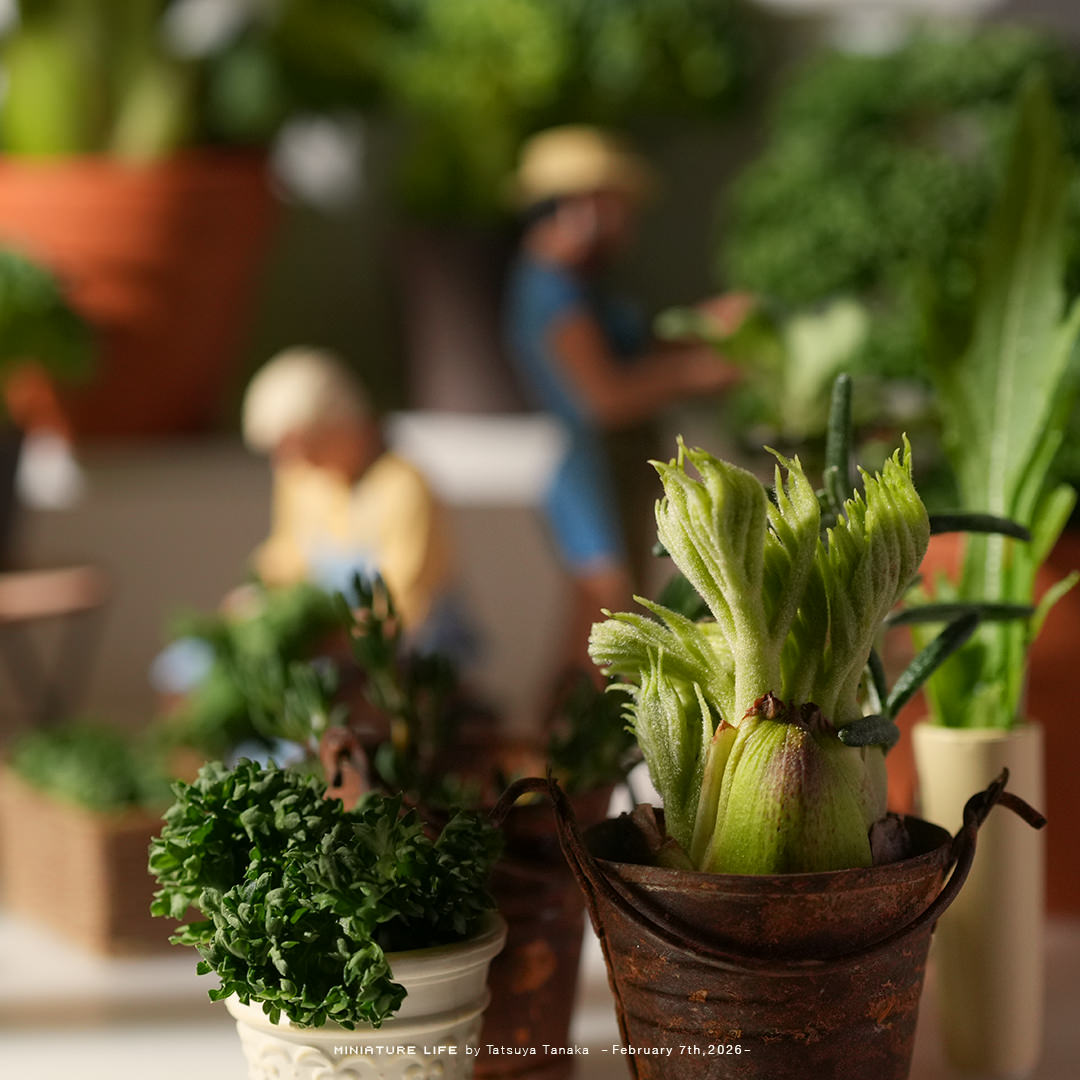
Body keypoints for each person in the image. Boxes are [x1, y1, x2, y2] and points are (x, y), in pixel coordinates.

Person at [504, 125, 746, 680]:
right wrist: (699, 371)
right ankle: (562, 749)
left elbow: (635, 352)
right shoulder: (554, 292)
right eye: (615, 207)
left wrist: (706, 326)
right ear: (575, 206)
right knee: (605, 622)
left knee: (612, 616)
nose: (624, 224)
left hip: (616, 471)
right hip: (590, 474)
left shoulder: (583, 286)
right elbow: (604, 396)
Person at [240, 347, 470, 660]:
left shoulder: (403, 485)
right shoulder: (301, 479)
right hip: (333, 639)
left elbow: (405, 598)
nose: (290, 463)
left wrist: (343, 635)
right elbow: (285, 558)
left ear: (343, 426)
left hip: (409, 647)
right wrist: (257, 598)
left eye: (307, 446)